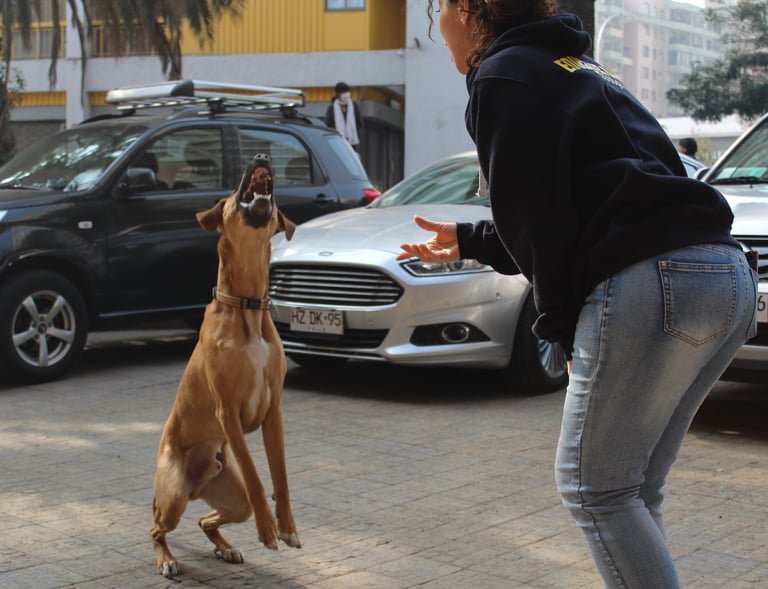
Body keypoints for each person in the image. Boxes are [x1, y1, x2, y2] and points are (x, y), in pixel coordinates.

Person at [398, 2, 758, 588]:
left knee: (596, 490)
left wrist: (562, 330)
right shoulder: (580, 68)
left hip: (649, 278)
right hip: (723, 274)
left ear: (466, 9)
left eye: (439, 10)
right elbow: (590, 199)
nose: (438, 27)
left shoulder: (502, 74)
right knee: (633, 488)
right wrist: (470, 239)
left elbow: (537, 223)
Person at [325, 81, 363, 152]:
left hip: (352, 143)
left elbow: (359, 123)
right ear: (337, 94)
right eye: (343, 92)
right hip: (337, 142)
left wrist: (356, 136)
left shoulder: (354, 106)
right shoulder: (332, 108)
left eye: (347, 92)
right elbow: (328, 125)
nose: (346, 94)